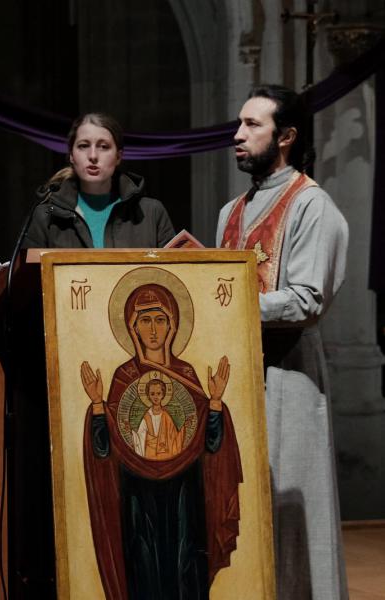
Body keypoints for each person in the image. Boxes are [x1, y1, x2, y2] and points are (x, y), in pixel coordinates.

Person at [216, 84, 349, 599]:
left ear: (286, 137)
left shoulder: (313, 205)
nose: (238, 134)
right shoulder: (230, 211)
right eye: (239, 123)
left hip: (288, 377)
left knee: (292, 513)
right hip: (235, 379)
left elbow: (308, 300)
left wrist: (224, 300)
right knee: (240, 510)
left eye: (252, 125)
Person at [79, 278, 241, 600]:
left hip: (184, 491)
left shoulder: (188, 375)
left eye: (160, 319)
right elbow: (104, 449)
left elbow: (210, 444)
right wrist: (98, 405)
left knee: (185, 563)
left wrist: (215, 402)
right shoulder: (124, 377)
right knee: (145, 564)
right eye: (145, 320)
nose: (153, 330)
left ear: (172, 325)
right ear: (133, 327)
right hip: (139, 495)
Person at [22, 112, 176, 249]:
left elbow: (176, 275)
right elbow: (27, 278)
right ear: (71, 156)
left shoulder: (151, 213)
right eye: (83, 146)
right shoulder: (46, 214)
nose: (93, 155)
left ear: (118, 156)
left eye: (103, 146)